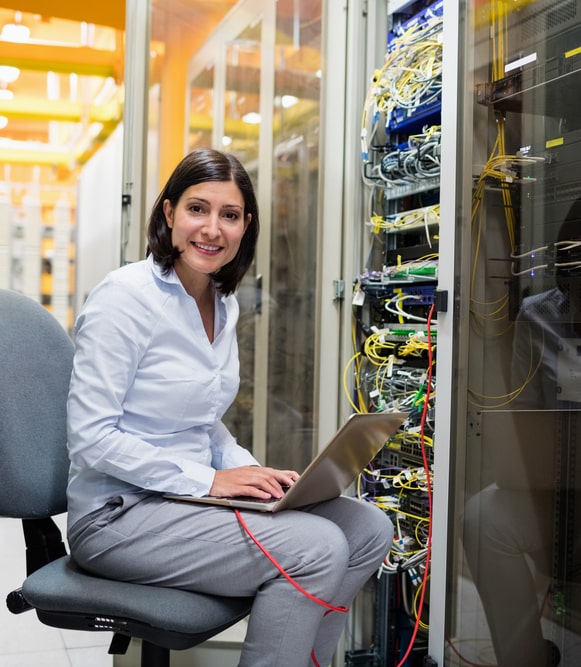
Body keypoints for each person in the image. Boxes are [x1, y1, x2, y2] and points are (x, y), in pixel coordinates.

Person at [65, 148, 394, 667]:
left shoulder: (223, 300)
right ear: (169, 214)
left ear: (245, 228)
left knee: (367, 529)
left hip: (183, 503)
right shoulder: (124, 298)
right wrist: (209, 482)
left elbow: (205, 423)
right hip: (118, 517)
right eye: (198, 209)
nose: (212, 228)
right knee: (316, 548)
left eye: (230, 215)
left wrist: (248, 471)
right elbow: (91, 436)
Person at [462, 199, 581, 667]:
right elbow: (522, 416)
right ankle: (526, 658)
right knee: (482, 518)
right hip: (555, 485)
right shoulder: (538, 316)